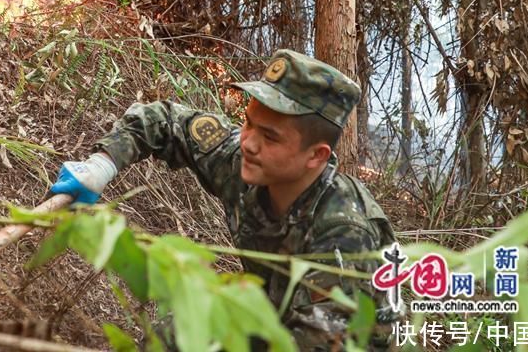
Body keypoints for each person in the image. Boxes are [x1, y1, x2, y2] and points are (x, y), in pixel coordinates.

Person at [49, 49, 396, 350]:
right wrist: (102, 164)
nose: (248, 142)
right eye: (248, 123)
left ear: (316, 156)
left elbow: (320, 343)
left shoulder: (343, 235)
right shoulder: (245, 162)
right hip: (272, 315)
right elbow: (166, 120)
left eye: (270, 137)